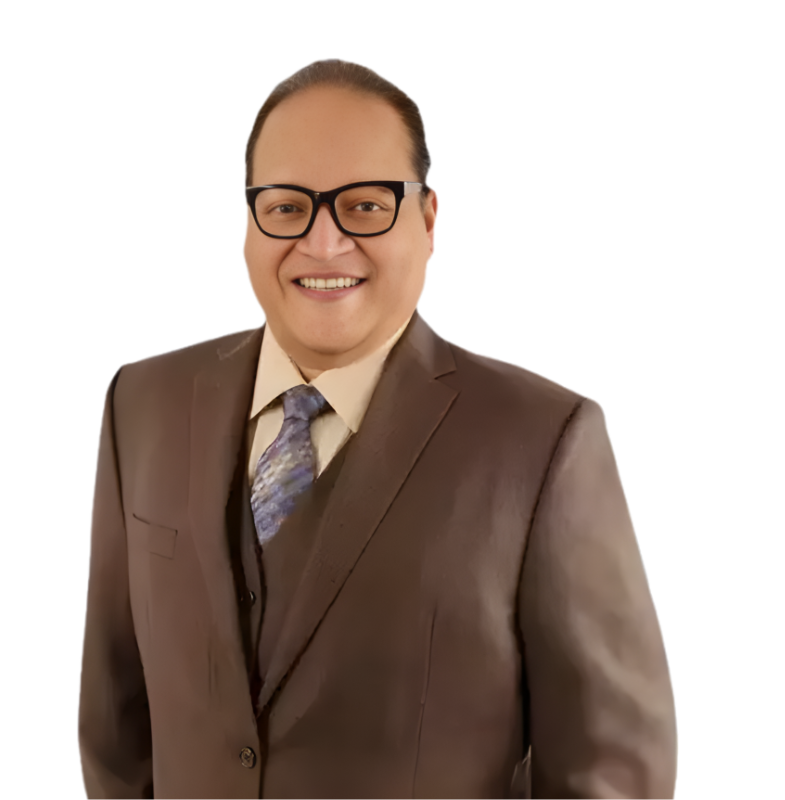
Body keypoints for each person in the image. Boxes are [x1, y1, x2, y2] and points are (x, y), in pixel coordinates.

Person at [77, 57, 678, 799]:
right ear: (248, 220)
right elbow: (115, 726)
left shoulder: (546, 441)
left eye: (364, 206)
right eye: (287, 207)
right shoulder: (142, 403)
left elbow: (614, 774)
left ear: (427, 220)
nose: (323, 243)